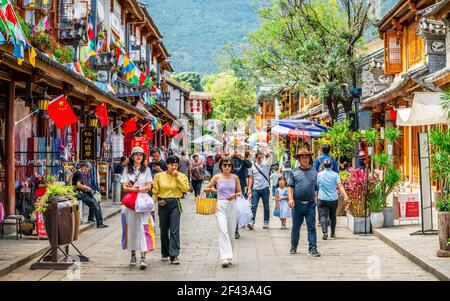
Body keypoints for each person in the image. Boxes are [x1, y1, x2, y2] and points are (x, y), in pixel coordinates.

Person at [203, 157, 242, 268]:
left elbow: (239, 192)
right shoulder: (217, 177)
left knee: (230, 231)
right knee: (223, 230)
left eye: (229, 165)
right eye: (225, 165)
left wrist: (233, 195)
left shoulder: (235, 177)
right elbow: (205, 189)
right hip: (220, 205)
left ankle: (229, 256)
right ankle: (224, 257)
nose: (227, 167)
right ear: (221, 166)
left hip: (232, 205)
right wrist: (212, 190)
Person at [153, 155, 190, 264]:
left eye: (175, 165)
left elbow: (186, 189)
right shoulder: (159, 176)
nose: (173, 167)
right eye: (171, 165)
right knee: (164, 230)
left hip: (175, 203)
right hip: (163, 203)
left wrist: (177, 176)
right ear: (167, 165)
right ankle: (165, 252)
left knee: (174, 229)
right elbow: (155, 191)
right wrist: (152, 204)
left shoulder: (182, 176)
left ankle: (174, 255)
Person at [121, 147, 154, 269]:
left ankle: (143, 257)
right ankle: (133, 255)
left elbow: (148, 187)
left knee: (143, 227)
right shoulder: (126, 170)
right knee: (131, 228)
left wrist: (136, 189)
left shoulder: (147, 170)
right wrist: (139, 188)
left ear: (143, 157)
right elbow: (124, 187)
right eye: (136, 155)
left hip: (143, 203)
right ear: (132, 157)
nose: (138, 157)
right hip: (130, 203)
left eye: (141, 154)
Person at [287, 148, 320, 257]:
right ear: (299, 159)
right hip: (297, 204)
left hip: (310, 204)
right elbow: (290, 187)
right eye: (302, 157)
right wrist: (290, 199)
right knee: (296, 227)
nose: (305, 159)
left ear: (310, 158)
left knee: (311, 227)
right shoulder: (294, 172)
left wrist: (316, 199)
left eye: (307, 157)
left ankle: (313, 248)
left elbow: (315, 188)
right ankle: (293, 245)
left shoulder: (314, 172)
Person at [317, 158, 349, 240]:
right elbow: (340, 185)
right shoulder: (335, 175)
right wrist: (345, 195)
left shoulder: (319, 174)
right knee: (332, 216)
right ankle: (333, 233)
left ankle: (325, 233)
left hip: (322, 199)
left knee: (323, 216)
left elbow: (316, 186)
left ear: (323, 166)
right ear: (331, 165)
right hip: (333, 199)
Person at [72, 162, 108, 228]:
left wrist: (86, 187)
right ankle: (99, 223)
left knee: (94, 202)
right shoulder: (80, 173)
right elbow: (78, 185)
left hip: (78, 192)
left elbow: (77, 184)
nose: (87, 171)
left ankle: (91, 219)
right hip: (79, 193)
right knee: (96, 205)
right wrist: (86, 187)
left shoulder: (76, 172)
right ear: (84, 167)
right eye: (87, 169)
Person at [247, 150, 272, 230]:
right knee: (253, 206)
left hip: (265, 188)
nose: (260, 157)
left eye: (261, 155)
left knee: (266, 206)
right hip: (255, 189)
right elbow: (251, 178)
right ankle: (252, 222)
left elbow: (271, 157)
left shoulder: (266, 164)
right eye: (259, 155)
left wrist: (266, 153)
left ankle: (266, 222)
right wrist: (249, 189)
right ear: (256, 156)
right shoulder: (252, 166)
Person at [231, 150, 252, 239]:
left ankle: (235, 230)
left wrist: (242, 157)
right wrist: (231, 156)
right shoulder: (230, 160)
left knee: (237, 209)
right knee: (229, 208)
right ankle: (231, 229)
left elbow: (249, 165)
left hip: (240, 186)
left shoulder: (243, 160)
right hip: (229, 186)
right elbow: (222, 163)